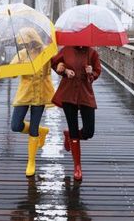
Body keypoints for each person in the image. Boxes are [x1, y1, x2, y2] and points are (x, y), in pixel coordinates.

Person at [51, 45, 101, 181]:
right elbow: (54, 63)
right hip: (68, 92)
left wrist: (91, 72)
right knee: (74, 129)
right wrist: (64, 70)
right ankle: (77, 166)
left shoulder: (92, 53)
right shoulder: (66, 50)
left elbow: (97, 71)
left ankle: (69, 135)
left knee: (89, 131)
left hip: (85, 94)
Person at [10, 27, 54, 177]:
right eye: (23, 43)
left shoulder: (46, 52)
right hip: (25, 93)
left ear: (33, 39)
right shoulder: (21, 54)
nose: (25, 45)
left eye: (26, 42)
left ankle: (31, 162)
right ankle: (42, 131)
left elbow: (54, 66)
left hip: (40, 94)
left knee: (33, 128)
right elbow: (12, 74)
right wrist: (15, 69)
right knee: (15, 125)